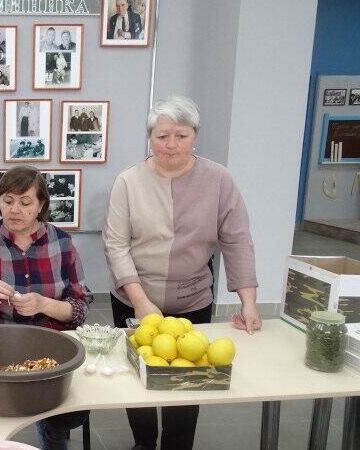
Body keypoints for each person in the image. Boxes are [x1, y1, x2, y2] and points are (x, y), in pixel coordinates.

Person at [103, 96, 261, 450]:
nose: (171, 144)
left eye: (181, 135)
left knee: (189, 378)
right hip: (133, 298)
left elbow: (237, 239)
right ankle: (144, 442)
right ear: (150, 138)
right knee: (138, 374)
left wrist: (248, 301)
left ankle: (178, 444)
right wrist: (140, 301)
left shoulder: (219, 180)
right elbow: (116, 244)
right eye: (161, 136)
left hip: (192, 298)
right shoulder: (128, 181)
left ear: (195, 136)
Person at [0, 166, 89, 450]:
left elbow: (80, 308)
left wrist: (44, 304)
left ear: (41, 206)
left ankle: (53, 436)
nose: (14, 210)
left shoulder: (61, 243)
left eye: (25, 202)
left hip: (52, 347)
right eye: (7, 201)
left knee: (59, 421)